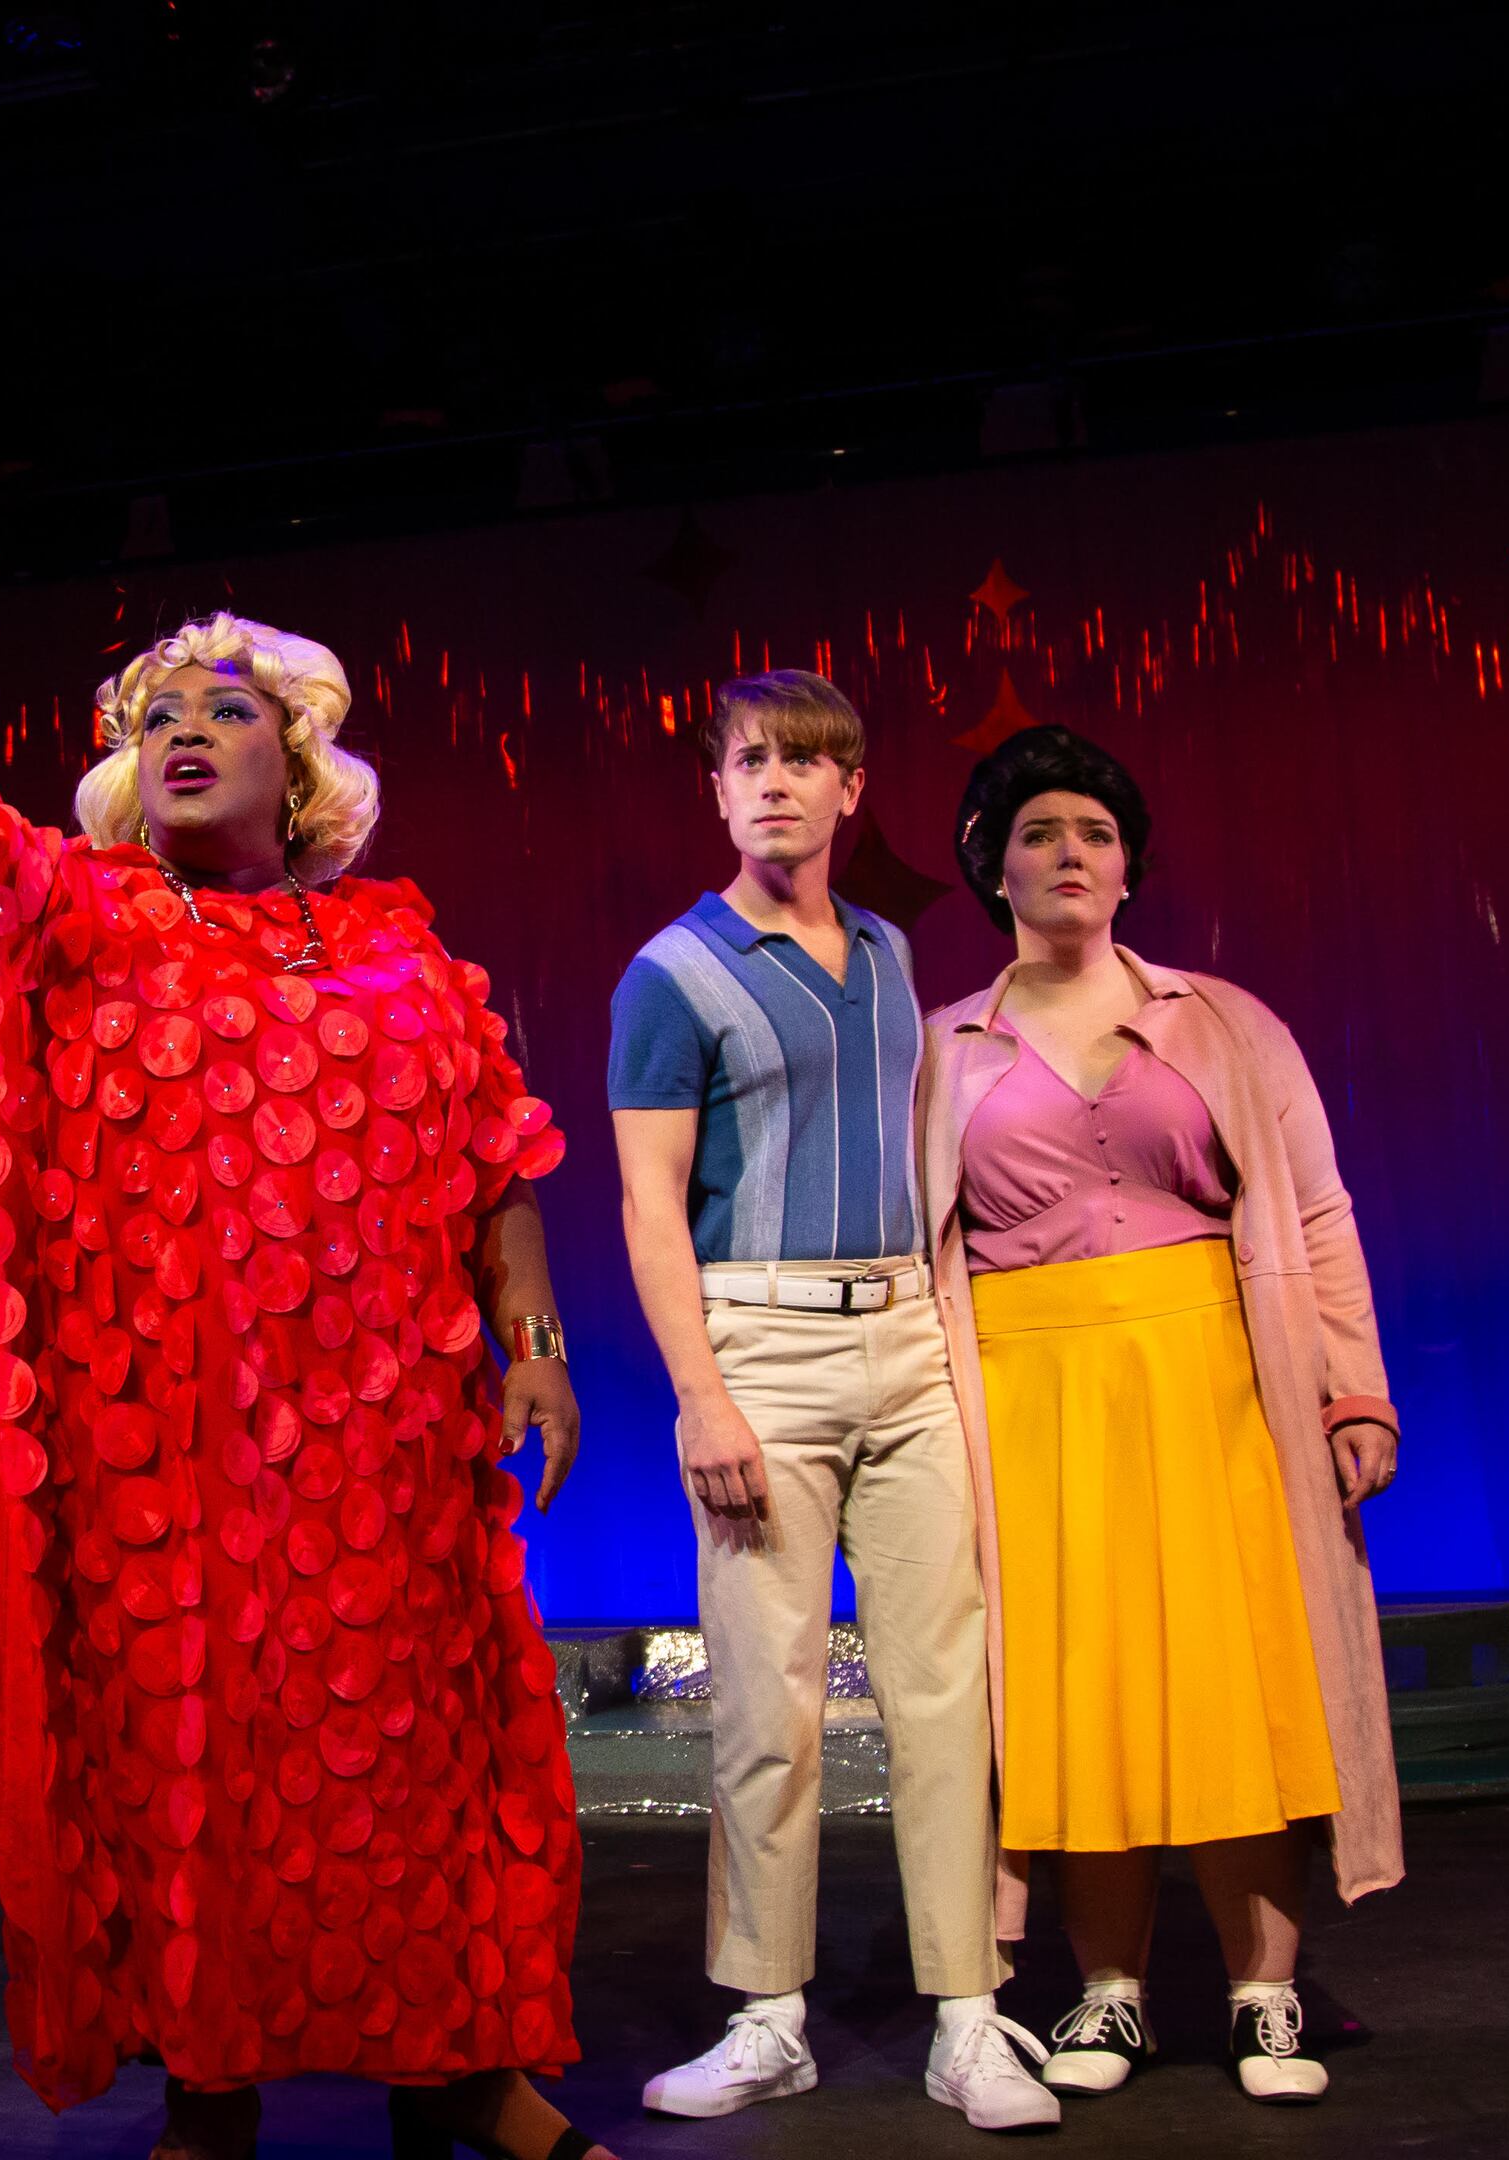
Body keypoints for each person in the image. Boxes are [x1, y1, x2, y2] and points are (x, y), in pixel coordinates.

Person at [0, 475, 611, 2160]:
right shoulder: (78, 917)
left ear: (306, 765)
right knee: (193, 1756)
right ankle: (213, 2084)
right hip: (162, 1457)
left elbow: (500, 1158)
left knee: (414, 1748)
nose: (185, 731)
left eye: (227, 711)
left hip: (386, 1438)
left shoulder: (399, 953)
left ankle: (462, 2074)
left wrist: (540, 1352)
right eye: (156, 717)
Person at [919, 725, 1405, 2107]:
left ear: (1128, 870)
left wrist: (1353, 1389)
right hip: (1029, 1394)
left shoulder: (1228, 1021)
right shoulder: (944, 1048)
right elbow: (912, 1251)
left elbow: (1313, 1209)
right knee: (1079, 1697)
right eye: (1038, 834)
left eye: (1096, 835)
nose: (1069, 854)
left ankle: (1265, 1996)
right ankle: (1108, 1994)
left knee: (1239, 1683)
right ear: (992, 867)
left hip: (1216, 1383)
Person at [604, 672, 1055, 2133]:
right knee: (767, 1705)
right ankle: (768, 2016)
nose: (779, 783)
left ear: (855, 790)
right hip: (761, 1353)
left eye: (808, 761)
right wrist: (703, 1401)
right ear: (718, 790)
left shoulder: (885, 948)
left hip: (908, 1339)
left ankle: (970, 2016)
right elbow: (648, 1205)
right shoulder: (670, 973)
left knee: (945, 1692)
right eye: (752, 761)